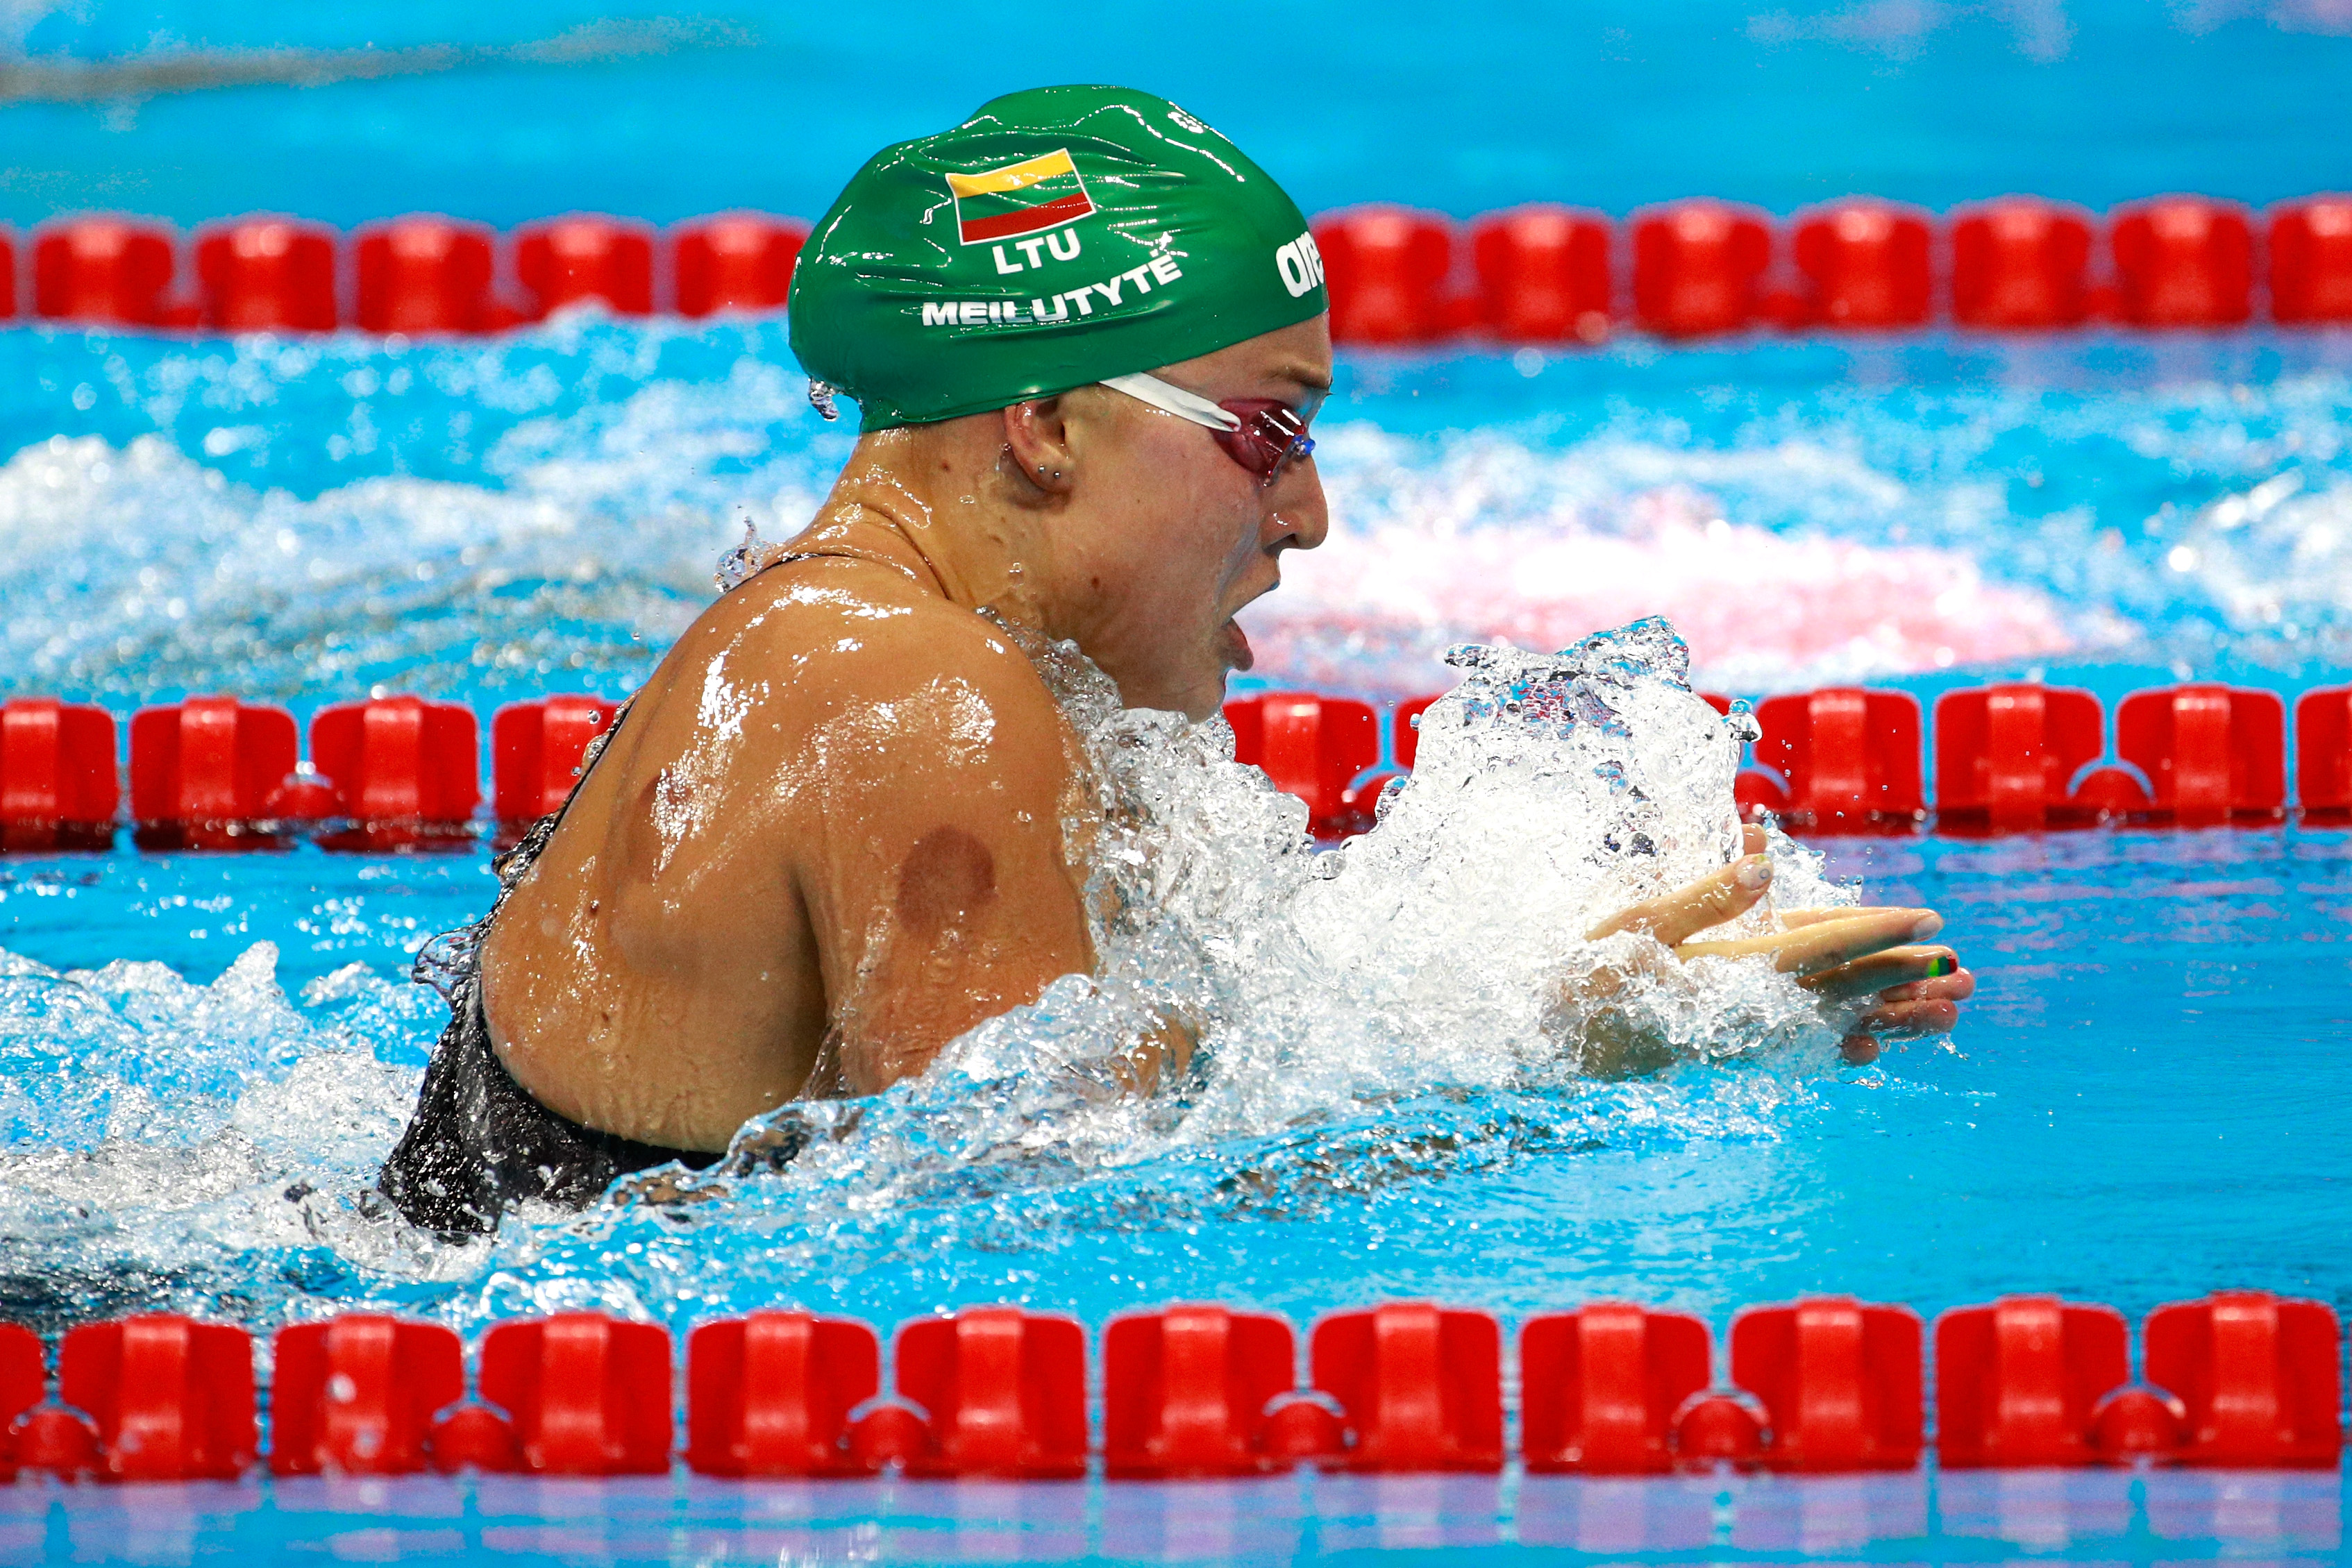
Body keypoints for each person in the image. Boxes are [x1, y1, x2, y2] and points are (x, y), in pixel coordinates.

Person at [380, 85, 1972, 1236]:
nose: (1310, 516)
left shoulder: (854, 638)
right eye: (1267, 432)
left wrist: (1524, 967)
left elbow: (1111, 1088)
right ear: (1048, 424)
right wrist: (1558, 1067)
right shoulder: (922, 695)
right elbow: (1009, 1238)